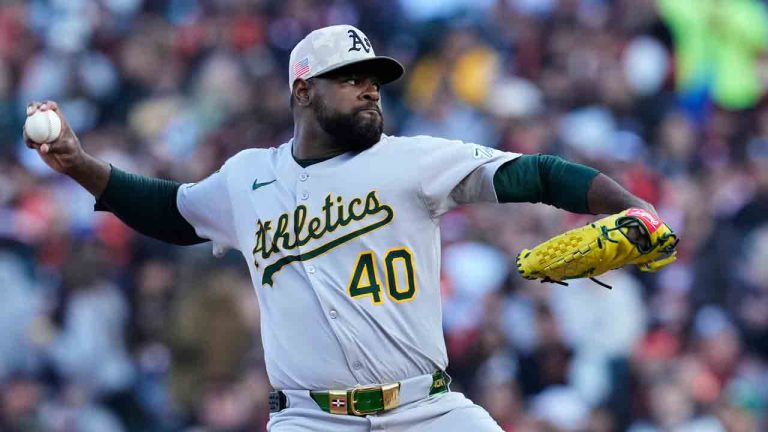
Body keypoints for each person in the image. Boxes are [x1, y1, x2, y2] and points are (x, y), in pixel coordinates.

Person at [25, 24, 663, 432]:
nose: (369, 90)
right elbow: (171, 211)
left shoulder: (411, 160)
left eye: (374, 81)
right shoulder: (248, 178)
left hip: (428, 410)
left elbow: (536, 172)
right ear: (302, 92)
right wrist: (80, 165)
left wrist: (633, 205)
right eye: (350, 79)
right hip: (310, 420)